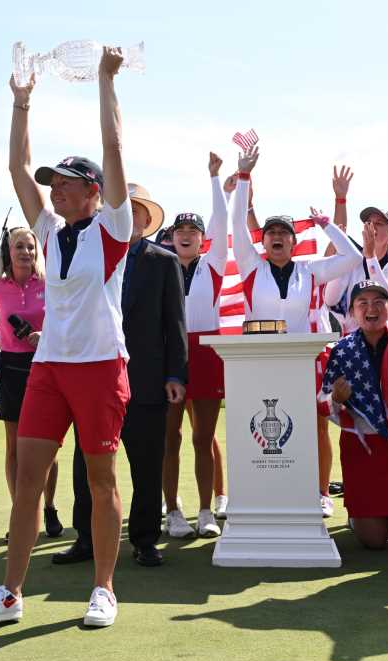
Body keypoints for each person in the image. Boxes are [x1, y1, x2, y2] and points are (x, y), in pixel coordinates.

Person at [0, 47, 132, 627]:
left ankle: (104, 589)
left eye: (66, 184)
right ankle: (10, 593)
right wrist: (20, 102)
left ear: (94, 191)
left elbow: (113, 149)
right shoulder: (49, 233)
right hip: (48, 368)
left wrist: (106, 82)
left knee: (100, 476)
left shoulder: (113, 228)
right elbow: (17, 168)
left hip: (101, 368)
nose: (54, 190)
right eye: (53, 184)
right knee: (28, 480)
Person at [61, 180, 187, 568]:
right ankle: (86, 537)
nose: (128, 217)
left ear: (146, 220)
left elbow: (175, 323)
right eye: (122, 209)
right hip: (95, 375)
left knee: (147, 463)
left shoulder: (164, 261)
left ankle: (145, 540)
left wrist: (175, 375)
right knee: (87, 462)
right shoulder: (91, 255)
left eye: (136, 211)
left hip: (147, 379)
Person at [231, 148, 362, 517]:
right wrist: (243, 178)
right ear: (263, 240)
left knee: (316, 424)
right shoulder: (250, 267)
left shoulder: (311, 271)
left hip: (307, 359)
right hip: (260, 361)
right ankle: (265, 488)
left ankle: (321, 491)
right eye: (271, 232)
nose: (277, 237)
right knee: (260, 421)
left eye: (283, 233)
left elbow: (352, 258)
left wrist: (326, 223)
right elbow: (238, 226)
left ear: (293, 241)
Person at [320, 280, 388, 549]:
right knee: (373, 541)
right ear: (353, 311)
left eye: (379, 302)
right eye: (363, 303)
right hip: (364, 450)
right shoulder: (341, 350)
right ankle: (363, 517)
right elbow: (323, 401)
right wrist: (337, 400)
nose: (371, 308)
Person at [0, 226, 64, 540]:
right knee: (15, 446)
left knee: (50, 446)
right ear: (9, 251)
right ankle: (21, 513)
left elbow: (62, 320)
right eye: (19, 247)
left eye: (30, 247)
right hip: (11, 369)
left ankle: (50, 507)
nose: (26, 252)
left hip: (45, 364)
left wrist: (46, 336)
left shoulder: (48, 284)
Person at [163, 152, 229, 539]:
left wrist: (215, 178)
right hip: (172, 355)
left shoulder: (214, 264)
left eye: (193, 230)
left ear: (203, 239)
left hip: (206, 355)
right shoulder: (162, 265)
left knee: (203, 438)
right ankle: (172, 511)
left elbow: (222, 222)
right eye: (179, 230)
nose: (186, 234)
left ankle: (205, 511)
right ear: (171, 237)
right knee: (169, 437)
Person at [324, 206, 388, 334]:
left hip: (387, 339)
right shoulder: (353, 260)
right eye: (369, 223)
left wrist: (370, 256)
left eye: (379, 224)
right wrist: (340, 256)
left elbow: (386, 293)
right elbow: (330, 300)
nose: (372, 227)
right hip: (352, 340)